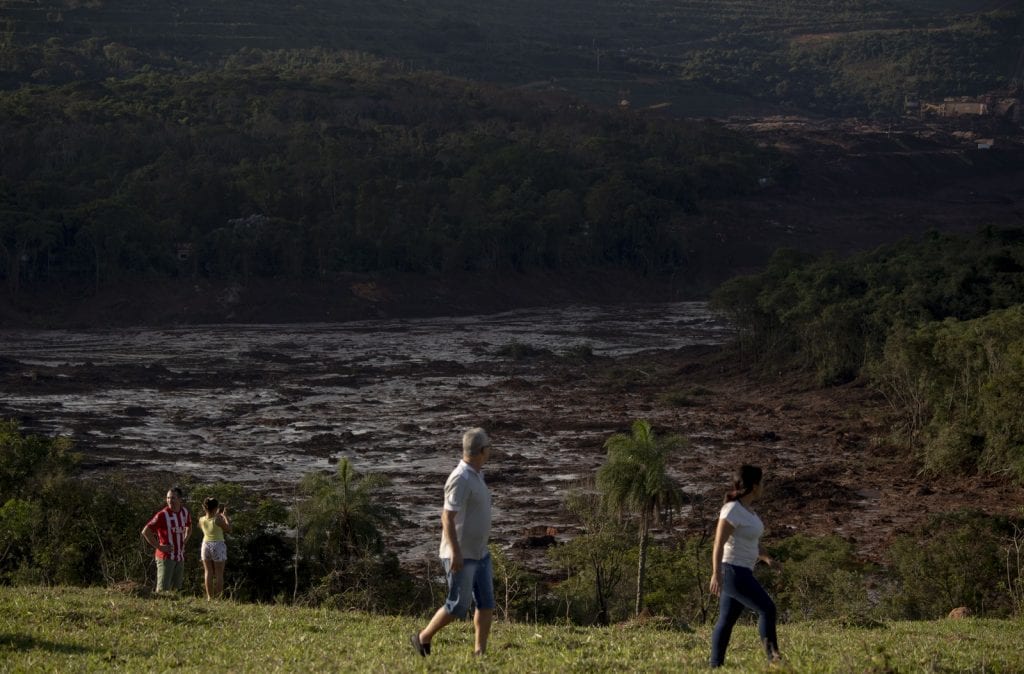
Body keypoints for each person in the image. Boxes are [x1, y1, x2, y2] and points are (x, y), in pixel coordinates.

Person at [411, 428, 495, 657]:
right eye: (488, 447)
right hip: (461, 555)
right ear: (481, 451)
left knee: (486, 603)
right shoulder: (460, 478)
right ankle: (423, 637)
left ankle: (480, 652)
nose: (490, 450)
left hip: (480, 553)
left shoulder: (477, 474)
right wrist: (456, 552)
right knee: (458, 605)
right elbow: (446, 517)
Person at [709, 464, 782, 668]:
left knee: (726, 621)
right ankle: (774, 661)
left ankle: (715, 666)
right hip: (732, 570)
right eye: (762, 483)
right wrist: (716, 573)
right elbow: (718, 543)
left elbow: (752, 542)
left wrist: (767, 558)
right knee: (767, 609)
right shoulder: (732, 509)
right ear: (754, 486)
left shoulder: (748, 511)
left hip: (741, 570)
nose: (764, 487)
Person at [141, 486, 193, 592]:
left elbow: (189, 527)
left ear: (179, 499)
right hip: (165, 557)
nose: (170, 501)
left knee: (176, 589)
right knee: (163, 590)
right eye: (168, 498)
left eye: (173, 498)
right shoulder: (162, 515)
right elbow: (145, 531)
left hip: (179, 557)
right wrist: (160, 547)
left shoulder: (184, 512)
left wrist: (184, 541)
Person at [199, 497, 231, 600]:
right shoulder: (218, 519)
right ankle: (218, 598)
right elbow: (229, 529)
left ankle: (209, 597)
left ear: (204, 507)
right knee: (219, 573)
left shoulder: (201, 519)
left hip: (205, 544)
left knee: (208, 572)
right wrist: (225, 516)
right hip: (217, 544)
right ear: (216, 508)